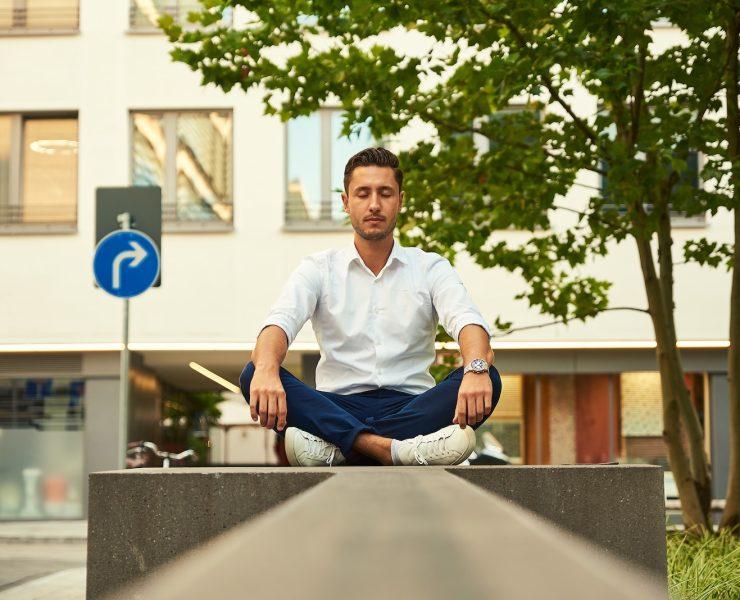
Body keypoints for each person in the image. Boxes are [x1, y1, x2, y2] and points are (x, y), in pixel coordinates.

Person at [239, 147, 502, 466]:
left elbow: (468, 322)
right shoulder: (319, 268)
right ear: (346, 203)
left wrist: (476, 367)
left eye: (385, 193)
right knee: (253, 372)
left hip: (412, 406)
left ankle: (340, 446)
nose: (374, 204)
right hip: (338, 405)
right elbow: (277, 325)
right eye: (363, 194)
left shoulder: (430, 267)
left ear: (400, 201)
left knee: (490, 378)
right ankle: (397, 449)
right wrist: (266, 370)